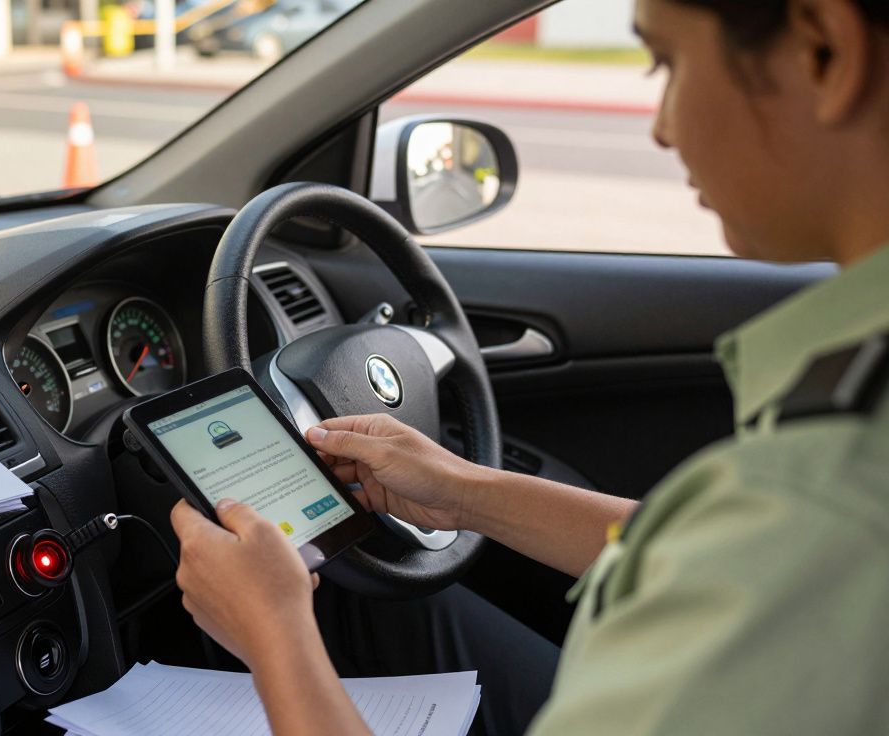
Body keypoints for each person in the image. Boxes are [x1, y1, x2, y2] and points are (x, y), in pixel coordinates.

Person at [169, 0, 889, 733]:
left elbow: (784, 546)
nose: (663, 126)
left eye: (667, 62)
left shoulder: (828, 498)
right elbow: (735, 560)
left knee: (336, 617)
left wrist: (273, 635)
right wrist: (461, 492)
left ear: (824, 51)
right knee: (393, 609)